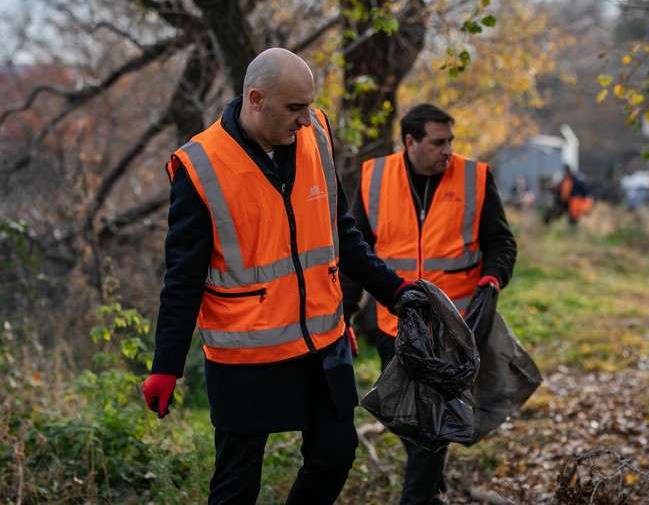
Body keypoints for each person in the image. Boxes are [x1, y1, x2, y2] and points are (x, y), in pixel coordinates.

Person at [140, 47, 427, 505]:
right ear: (256, 99)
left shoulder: (316, 136)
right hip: (246, 355)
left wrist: (394, 291)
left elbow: (341, 233)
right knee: (237, 485)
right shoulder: (200, 166)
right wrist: (166, 367)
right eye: (295, 108)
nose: (305, 119)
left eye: (309, 105)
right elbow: (182, 278)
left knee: (336, 453)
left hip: (322, 341)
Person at [341, 103, 518, 505]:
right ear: (411, 142)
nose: (448, 150)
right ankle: (434, 491)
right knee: (411, 422)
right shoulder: (374, 178)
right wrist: (345, 314)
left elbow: (501, 243)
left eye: (451, 141)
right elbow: (354, 256)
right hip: (394, 327)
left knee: (431, 427)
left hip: (455, 331)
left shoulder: (475, 177)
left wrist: (494, 276)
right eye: (438, 142)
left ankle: (418, 498)